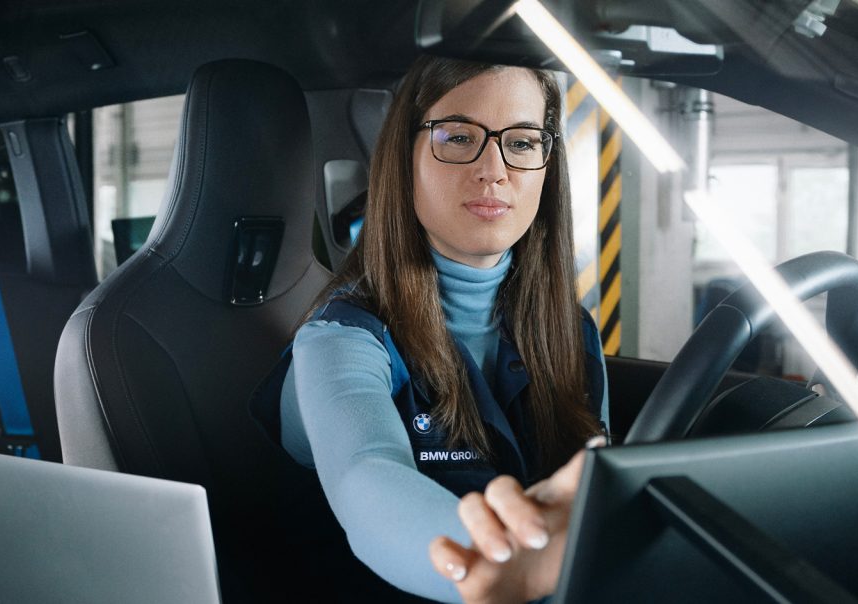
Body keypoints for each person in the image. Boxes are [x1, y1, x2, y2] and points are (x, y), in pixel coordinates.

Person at [256, 55, 610, 603]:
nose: (494, 169)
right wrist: (479, 560)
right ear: (405, 161)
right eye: (458, 136)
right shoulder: (338, 339)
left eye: (520, 143)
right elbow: (366, 477)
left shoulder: (572, 330)